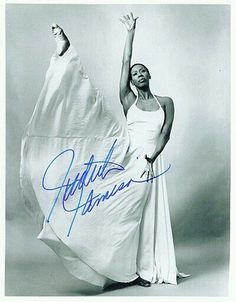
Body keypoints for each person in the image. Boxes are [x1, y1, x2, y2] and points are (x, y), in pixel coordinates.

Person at [20, 13, 189, 291]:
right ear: (131, 81)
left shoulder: (166, 102)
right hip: (129, 159)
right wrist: (130, 33)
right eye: (135, 73)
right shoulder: (128, 100)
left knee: (146, 215)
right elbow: (125, 62)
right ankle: (66, 53)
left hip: (151, 162)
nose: (139, 74)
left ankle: (146, 268)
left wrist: (150, 159)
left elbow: (165, 134)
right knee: (117, 213)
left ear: (149, 75)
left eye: (142, 71)